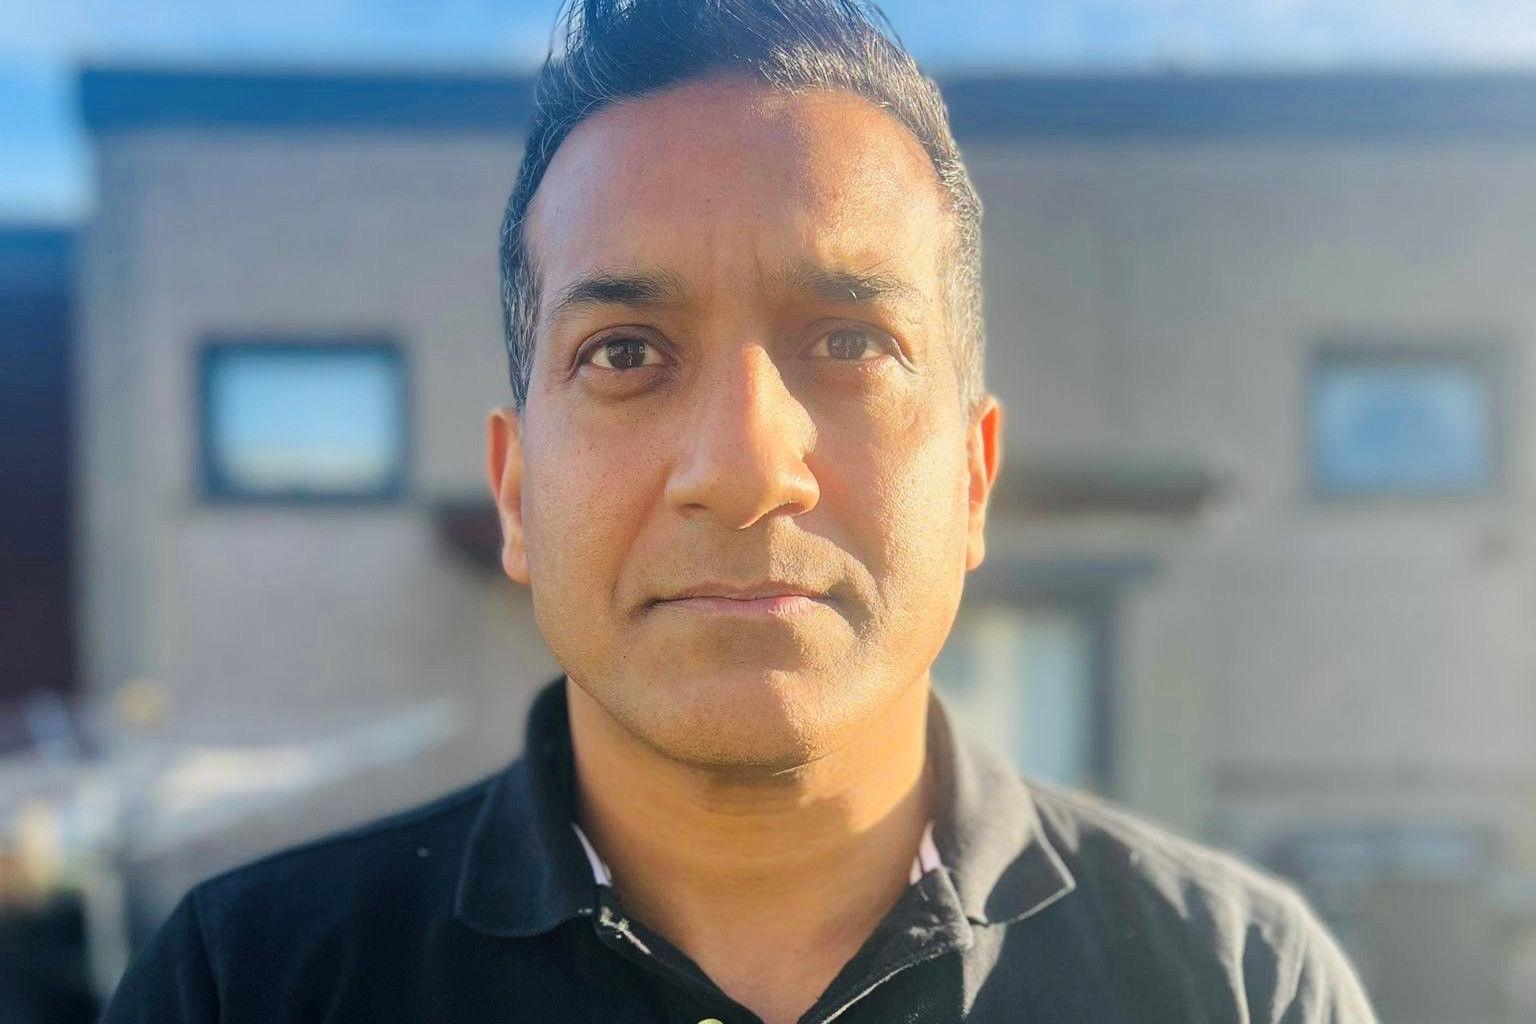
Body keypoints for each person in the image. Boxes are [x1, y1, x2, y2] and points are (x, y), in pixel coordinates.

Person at [102, 1, 1379, 1021]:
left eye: (848, 340)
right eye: (626, 352)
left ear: (976, 477)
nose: (748, 464)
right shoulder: (246, 984)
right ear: (517, 493)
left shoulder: (1239, 985)